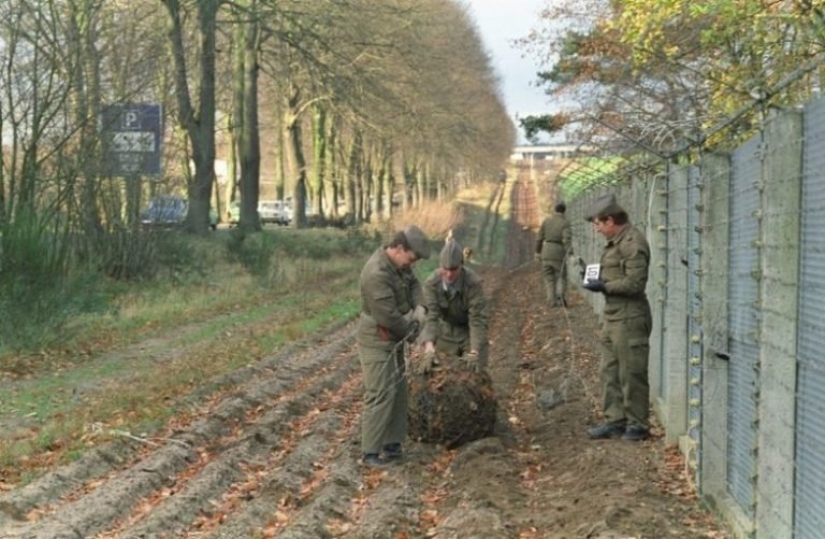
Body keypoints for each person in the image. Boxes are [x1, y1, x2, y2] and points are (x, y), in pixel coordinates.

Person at [358, 225, 430, 467]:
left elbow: (414, 286)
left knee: (398, 392)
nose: (411, 264)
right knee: (380, 392)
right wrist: (415, 335)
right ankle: (370, 453)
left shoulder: (400, 266)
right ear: (399, 248)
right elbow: (389, 317)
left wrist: (419, 308)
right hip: (378, 339)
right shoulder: (376, 273)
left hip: (394, 336)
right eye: (411, 258)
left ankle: (393, 446)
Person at [581, 194, 652, 442]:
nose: (597, 229)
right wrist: (594, 278)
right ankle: (615, 420)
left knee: (631, 372)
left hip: (630, 317)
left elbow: (635, 283)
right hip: (613, 315)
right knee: (609, 370)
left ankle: (637, 423)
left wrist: (605, 286)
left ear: (610, 220)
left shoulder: (632, 244)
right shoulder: (615, 244)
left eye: (599, 224)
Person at [418, 239, 489, 374]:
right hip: (445, 330)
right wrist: (428, 347)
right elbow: (432, 316)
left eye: (453, 269)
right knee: (438, 374)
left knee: (477, 374)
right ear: (440, 266)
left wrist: (474, 351)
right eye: (445, 269)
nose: (449, 274)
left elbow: (477, 319)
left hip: (469, 332)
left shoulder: (473, 284)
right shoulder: (431, 284)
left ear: (462, 265)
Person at [536, 201, 572, 307]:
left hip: (546, 252)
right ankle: (560, 297)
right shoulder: (565, 223)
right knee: (561, 276)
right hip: (558, 252)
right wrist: (570, 253)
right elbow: (566, 239)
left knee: (548, 278)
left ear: (555, 210)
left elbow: (539, 238)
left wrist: (537, 252)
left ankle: (551, 300)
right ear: (564, 211)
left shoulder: (546, 221)